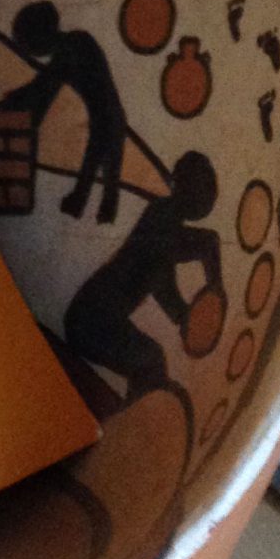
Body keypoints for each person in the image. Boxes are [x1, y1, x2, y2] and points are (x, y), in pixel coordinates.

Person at [63, 151, 224, 399]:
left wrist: (186, 317)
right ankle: (140, 408)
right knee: (149, 360)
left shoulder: (164, 224)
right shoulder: (162, 214)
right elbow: (201, 244)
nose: (207, 197)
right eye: (202, 187)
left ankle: (138, 405)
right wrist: (215, 292)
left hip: (94, 317)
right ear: (182, 185)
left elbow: (163, 284)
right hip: (90, 318)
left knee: (150, 360)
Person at [4, 0, 126, 223]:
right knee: (103, 174)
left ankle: (84, 207)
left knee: (104, 176)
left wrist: (19, 105)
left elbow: (45, 87)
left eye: (29, 44)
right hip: (107, 118)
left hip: (107, 119)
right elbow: (46, 84)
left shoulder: (72, 47)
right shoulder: (73, 44)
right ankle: (83, 205)